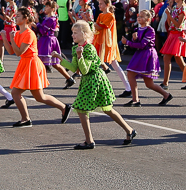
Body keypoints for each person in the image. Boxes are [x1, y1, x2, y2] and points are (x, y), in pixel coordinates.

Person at [52, 21, 135, 149]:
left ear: (84, 34)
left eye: (75, 32)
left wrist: (80, 56)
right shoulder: (76, 48)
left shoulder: (89, 48)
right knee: (103, 109)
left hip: (95, 79)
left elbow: (84, 70)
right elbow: (75, 68)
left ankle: (89, 141)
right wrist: (60, 58)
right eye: (72, 32)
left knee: (87, 108)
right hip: (88, 80)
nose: (72, 35)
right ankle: (129, 130)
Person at [3, 7, 71, 127]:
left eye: (18, 15)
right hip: (25, 64)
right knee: (39, 97)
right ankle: (63, 107)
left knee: (16, 93)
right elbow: (11, 51)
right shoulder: (18, 33)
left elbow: (19, 52)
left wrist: (12, 38)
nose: (15, 17)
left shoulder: (29, 34)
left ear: (25, 19)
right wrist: (5, 37)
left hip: (32, 64)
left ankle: (26, 119)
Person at [121, 9, 171, 107]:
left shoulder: (150, 30)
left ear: (148, 19)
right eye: (139, 16)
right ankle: (165, 95)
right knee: (145, 82)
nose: (139, 18)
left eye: (142, 16)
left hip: (147, 55)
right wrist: (133, 39)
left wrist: (127, 42)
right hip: (140, 54)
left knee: (135, 75)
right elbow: (136, 44)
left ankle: (136, 100)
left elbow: (142, 45)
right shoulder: (137, 30)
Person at [93, 0, 132, 97]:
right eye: (99, 3)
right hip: (100, 42)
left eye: (101, 4)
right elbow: (97, 26)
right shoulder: (100, 15)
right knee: (97, 63)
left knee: (114, 64)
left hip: (107, 43)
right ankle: (127, 87)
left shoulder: (110, 16)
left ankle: (128, 87)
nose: (99, 5)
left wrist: (90, 22)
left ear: (107, 4)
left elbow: (101, 26)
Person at [37, 1, 73, 88]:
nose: (45, 8)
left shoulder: (52, 19)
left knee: (43, 61)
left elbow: (43, 31)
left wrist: (37, 23)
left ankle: (41, 82)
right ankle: (69, 79)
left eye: (47, 7)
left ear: (52, 9)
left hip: (48, 41)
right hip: (45, 39)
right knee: (53, 63)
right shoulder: (46, 18)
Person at [159, 0, 186, 89]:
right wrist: (168, 15)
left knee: (175, 59)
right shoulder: (175, 8)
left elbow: (178, 25)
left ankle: (166, 83)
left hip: (179, 35)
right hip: (173, 34)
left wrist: (169, 16)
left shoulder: (183, 9)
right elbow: (170, 23)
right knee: (171, 58)